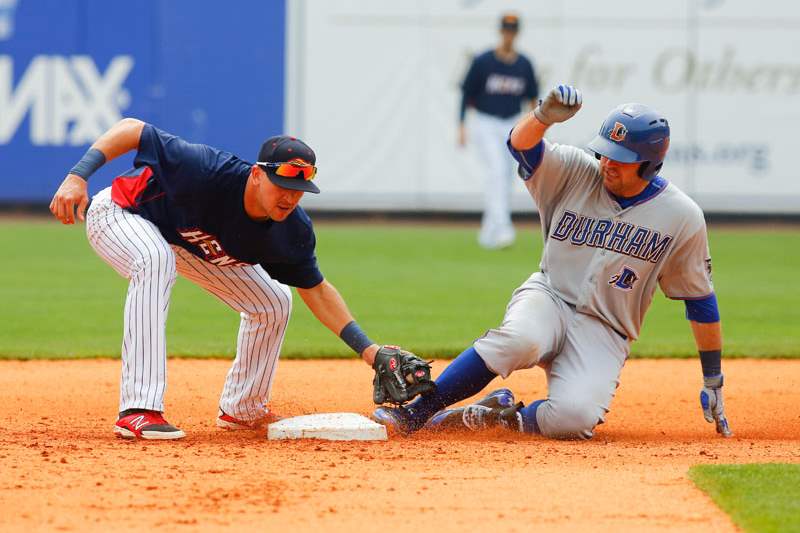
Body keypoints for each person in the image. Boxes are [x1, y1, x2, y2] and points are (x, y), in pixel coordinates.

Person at [374, 85, 732, 440]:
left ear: (650, 163)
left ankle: (496, 415)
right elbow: (520, 146)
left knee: (573, 419)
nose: (606, 163)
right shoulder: (577, 171)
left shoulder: (681, 216)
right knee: (519, 340)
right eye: (604, 152)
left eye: (620, 158)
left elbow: (699, 301)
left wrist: (712, 378)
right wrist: (542, 118)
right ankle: (415, 415)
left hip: (606, 327)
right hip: (550, 295)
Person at [50, 118, 396, 440]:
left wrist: (369, 350)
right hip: (120, 212)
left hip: (188, 242)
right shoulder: (205, 169)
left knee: (273, 301)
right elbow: (131, 129)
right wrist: (78, 175)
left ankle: (243, 410)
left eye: (299, 188)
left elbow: (316, 290)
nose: (290, 196)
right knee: (155, 260)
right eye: (282, 184)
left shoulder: (292, 229)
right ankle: (138, 410)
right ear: (258, 175)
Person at [459, 13, 539, 249]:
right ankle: (504, 228)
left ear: (517, 33)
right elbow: (466, 93)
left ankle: (487, 233)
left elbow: (533, 99)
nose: (509, 34)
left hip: (512, 122)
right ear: (500, 31)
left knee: (504, 176)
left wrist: (535, 129)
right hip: (485, 121)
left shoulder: (524, 64)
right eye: (506, 29)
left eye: (512, 30)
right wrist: (461, 125)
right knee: (496, 170)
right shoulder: (483, 61)